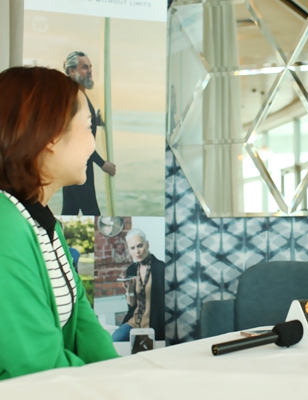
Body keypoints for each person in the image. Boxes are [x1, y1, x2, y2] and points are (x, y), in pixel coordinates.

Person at [0, 66, 119, 380]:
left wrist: (121, 374)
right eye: (89, 127)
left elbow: (81, 317)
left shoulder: (43, 222)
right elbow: (37, 363)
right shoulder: (4, 226)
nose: (93, 144)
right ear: (52, 135)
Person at [61, 51, 117, 216]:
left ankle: (55, 234)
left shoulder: (78, 94)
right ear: (72, 71)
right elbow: (78, 139)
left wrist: (94, 120)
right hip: (78, 166)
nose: (90, 71)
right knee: (92, 213)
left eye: (90, 67)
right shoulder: (74, 98)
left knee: (69, 211)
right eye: (85, 67)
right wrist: (102, 163)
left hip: (75, 165)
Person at [112, 228, 165, 342]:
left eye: (140, 246)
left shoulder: (161, 268)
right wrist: (129, 290)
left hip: (154, 323)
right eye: (132, 248)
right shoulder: (131, 270)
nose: (137, 251)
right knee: (114, 340)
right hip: (134, 322)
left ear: (147, 245)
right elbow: (131, 305)